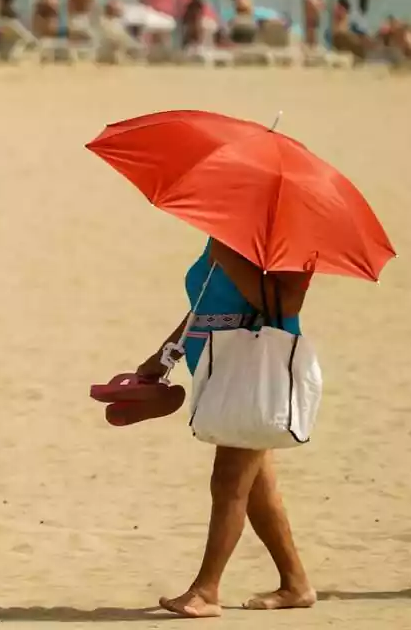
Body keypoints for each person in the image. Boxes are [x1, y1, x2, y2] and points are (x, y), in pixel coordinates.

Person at [136, 239, 316, 618]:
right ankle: (296, 583)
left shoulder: (288, 238)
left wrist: (231, 257)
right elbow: (204, 303)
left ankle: (205, 590)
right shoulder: (228, 233)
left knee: (229, 482)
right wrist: (166, 353)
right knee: (257, 489)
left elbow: (285, 305)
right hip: (220, 372)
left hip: (254, 375)